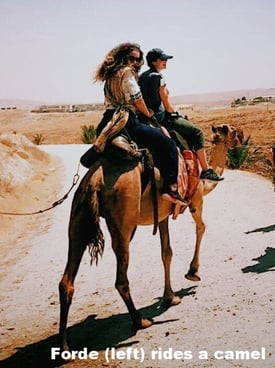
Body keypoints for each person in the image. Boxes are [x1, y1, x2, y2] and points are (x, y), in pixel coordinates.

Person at [80, 42, 186, 205]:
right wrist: (147, 112)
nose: (136, 63)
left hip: (106, 120)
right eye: (132, 58)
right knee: (168, 144)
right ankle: (170, 188)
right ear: (124, 58)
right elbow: (136, 98)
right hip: (125, 121)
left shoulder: (109, 74)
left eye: (138, 60)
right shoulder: (127, 72)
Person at [139, 48, 224, 181]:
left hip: (145, 118)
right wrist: (174, 114)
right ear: (154, 61)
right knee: (197, 132)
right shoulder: (158, 77)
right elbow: (165, 101)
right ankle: (206, 170)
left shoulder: (142, 76)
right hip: (162, 118)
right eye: (162, 59)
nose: (165, 62)